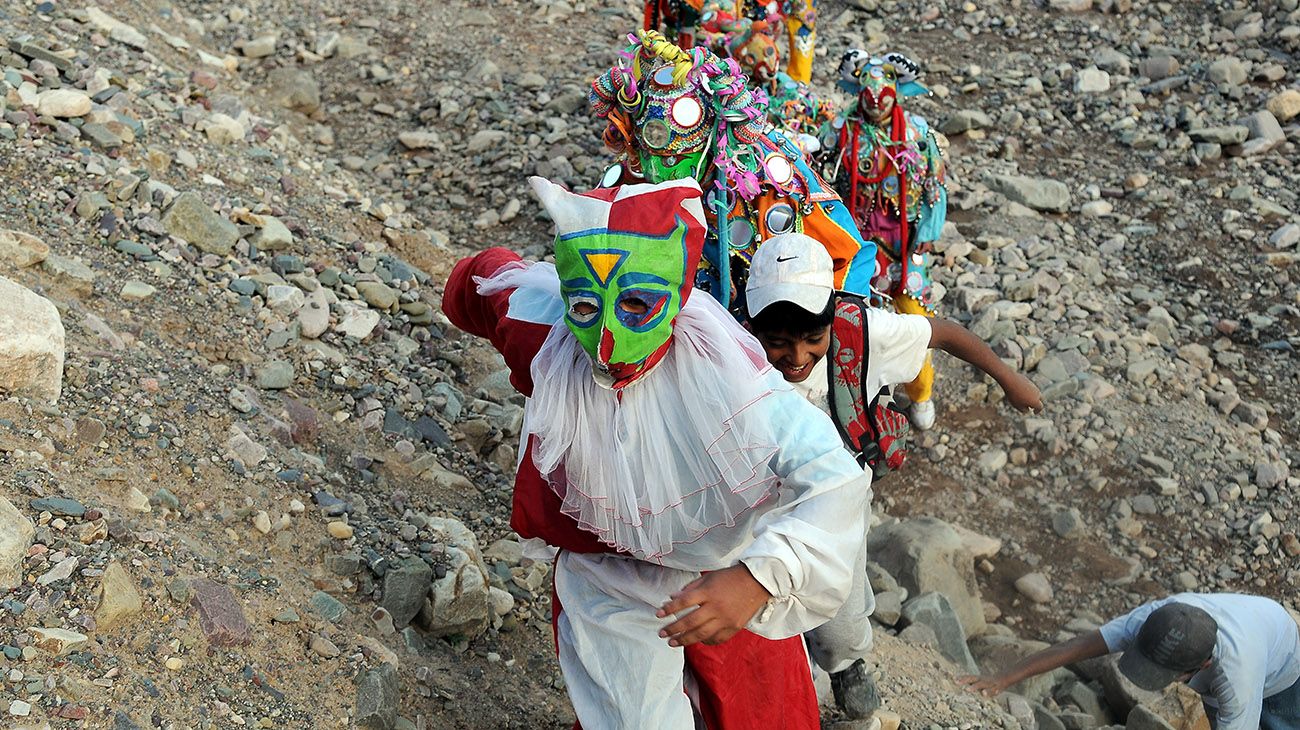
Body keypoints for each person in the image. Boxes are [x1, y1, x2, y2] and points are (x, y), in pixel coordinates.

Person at [442, 176, 874, 729]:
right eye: (585, 305)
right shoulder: (546, 335)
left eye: (638, 305)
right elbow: (485, 284)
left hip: (723, 570)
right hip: (608, 576)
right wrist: (456, 283)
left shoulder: (731, 383)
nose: (605, 340)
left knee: (766, 715)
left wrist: (759, 579)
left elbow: (835, 478)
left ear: (674, 298)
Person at [743, 232, 1043, 719]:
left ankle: (845, 664)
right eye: (777, 343)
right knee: (757, 601)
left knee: (837, 603)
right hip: (759, 495)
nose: (796, 359)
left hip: (838, 498)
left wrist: (1009, 378)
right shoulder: (730, 343)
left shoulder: (863, 331)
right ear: (752, 322)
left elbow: (940, 332)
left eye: (812, 341)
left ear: (831, 316)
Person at [589, 29, 876, 311]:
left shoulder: (770, 179)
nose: (666, 173)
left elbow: (850, 255)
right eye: (654, 156)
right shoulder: (630, 179)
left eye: (681, 157)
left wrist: (835, 321)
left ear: (713, 140)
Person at [821, 50, 947, 430]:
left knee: (913, 319)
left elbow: (934, 186)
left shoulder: (917, 134)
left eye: (884, 98)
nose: (876, 106)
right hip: (855, 242)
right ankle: (852, 397)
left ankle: (920, 390)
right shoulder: (842, 129)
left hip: (902, 245)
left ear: (897, 93)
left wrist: (927, 233)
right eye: (869, 98)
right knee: (848, 319)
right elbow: (819, 167)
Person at [959, 593, 1300, 730]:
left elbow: (1235, 698)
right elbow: (1077, 647)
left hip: (1281, 668)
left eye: (1169, 676)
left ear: (1201, 669)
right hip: (1250, 625)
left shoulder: (1239, 679)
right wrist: (1003, 678)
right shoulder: (1155, 618)